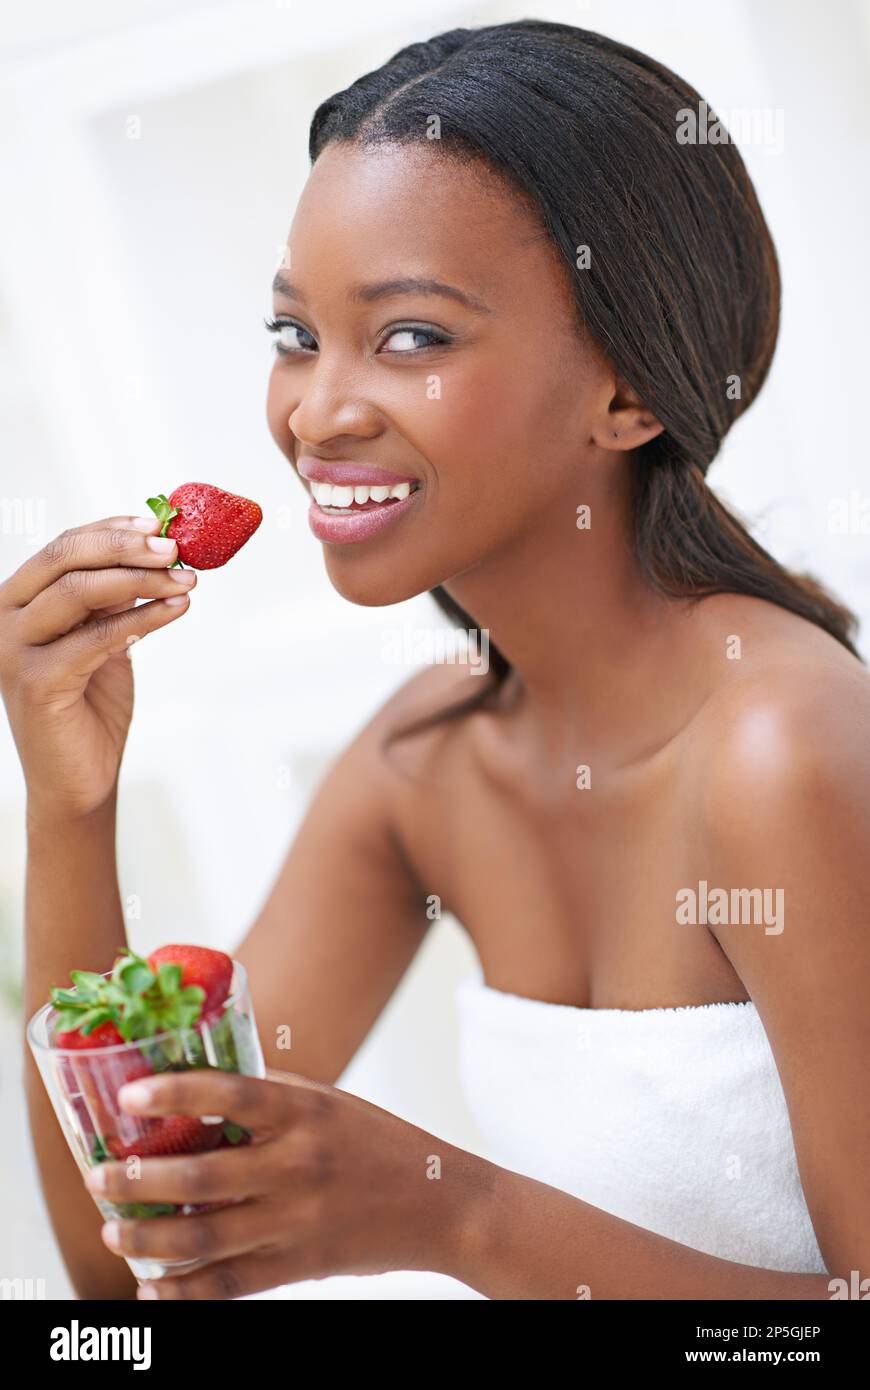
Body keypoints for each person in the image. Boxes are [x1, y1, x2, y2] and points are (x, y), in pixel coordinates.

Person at [4, 19, 868, 1301]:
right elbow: (127, 1276)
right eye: (296, 332)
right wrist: (71, 803)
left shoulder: (786, 754)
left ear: (628, 393)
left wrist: (456, 1216)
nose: (318, 410)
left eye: (410, 337)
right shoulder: (428, 756)